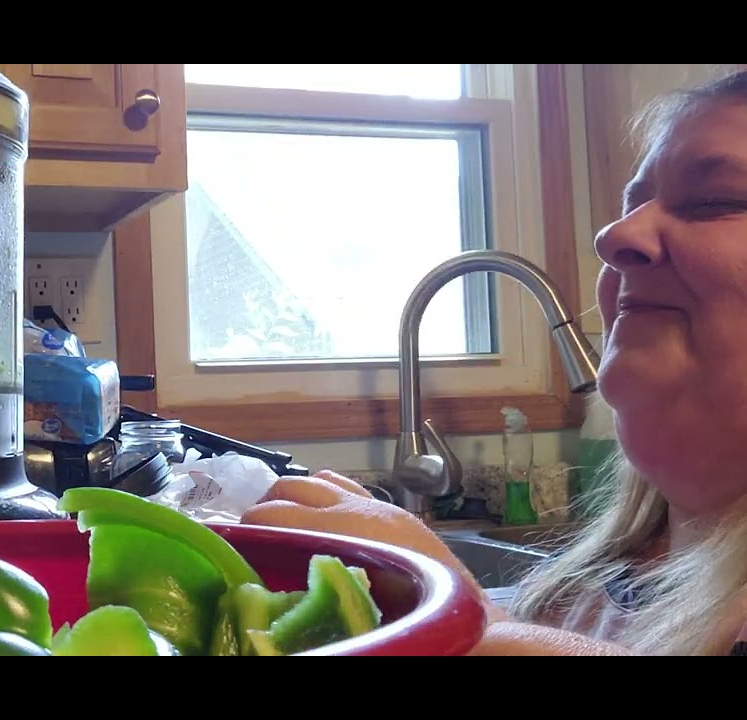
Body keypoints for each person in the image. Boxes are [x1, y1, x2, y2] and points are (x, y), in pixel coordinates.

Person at [242, 68, 747, 656]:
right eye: (632, 204)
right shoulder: (586, 590)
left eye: (716, 201)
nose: (614, 234)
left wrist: (454, 616)